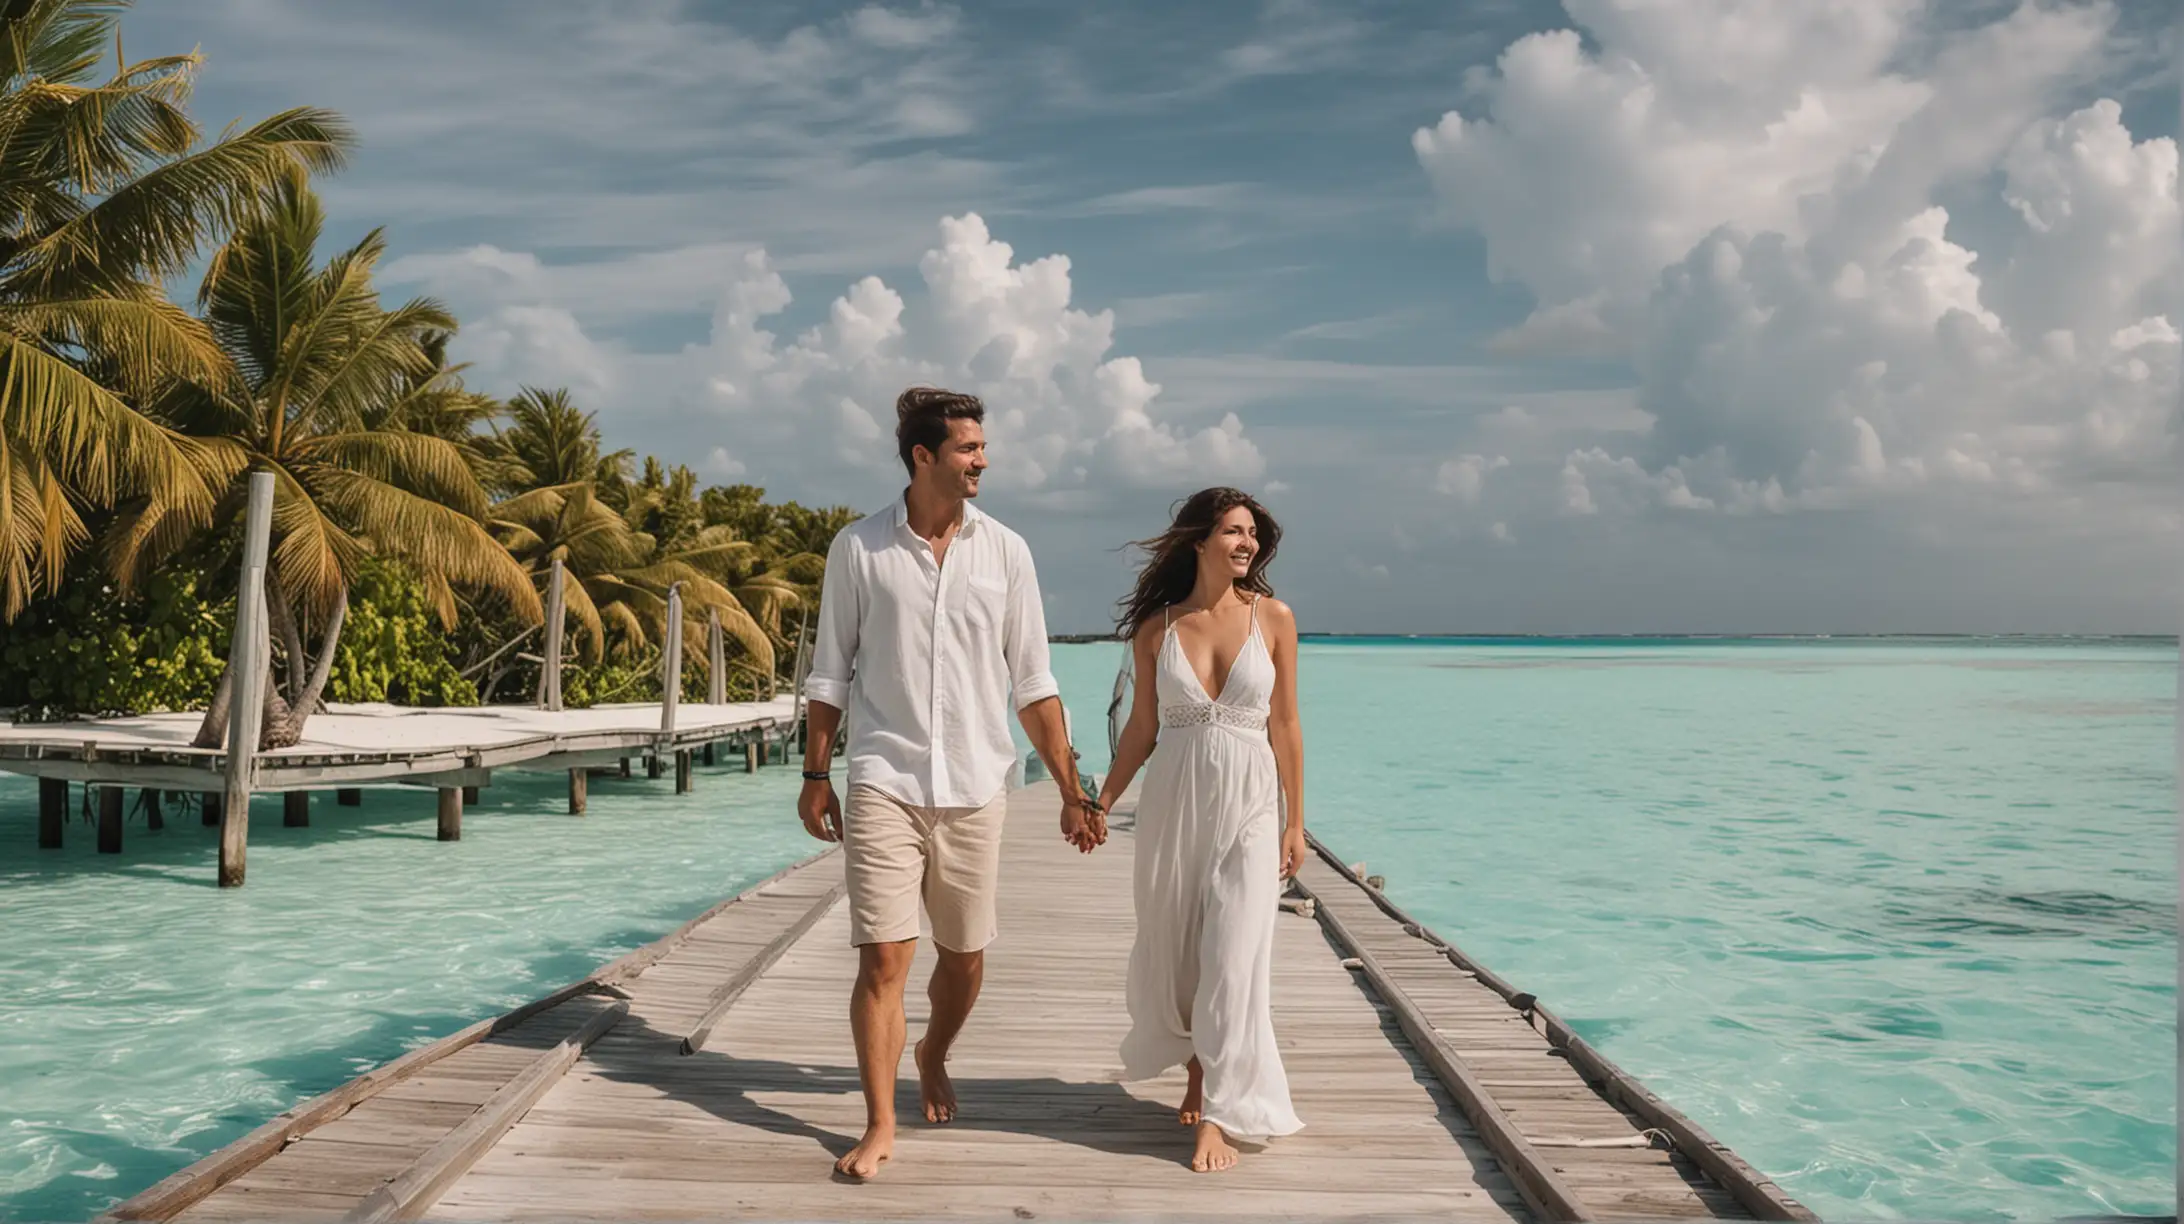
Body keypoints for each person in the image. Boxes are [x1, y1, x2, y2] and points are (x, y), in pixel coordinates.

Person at [798, 386, 1106, 1181]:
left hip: (976, 783)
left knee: (963, 958)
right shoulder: (858, 549)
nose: (984, 460)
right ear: (923, 455)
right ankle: (879, 1121)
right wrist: (815, 774)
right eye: (969, 448)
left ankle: (933, 1051)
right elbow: (829, 675)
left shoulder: (1008, 552)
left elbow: (1034, 685)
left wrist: (1072, 790)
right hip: (883, 779)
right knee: (883, 961)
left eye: (982, 446)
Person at [1095, 486, 1306, 1172]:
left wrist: (1296, 820)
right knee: (1180, 947)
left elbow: (1286, 725)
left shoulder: (1273, 618)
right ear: (1198, 541)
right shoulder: (1157, 628)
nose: (1247, 543)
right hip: (1173, 805)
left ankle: (1219, 1110)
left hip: (1249, 803)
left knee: (1236, 953)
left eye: (1252, 534)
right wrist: (1100, 801)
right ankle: (1196, 1069)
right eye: (1233, 532)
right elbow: (1141, 731)